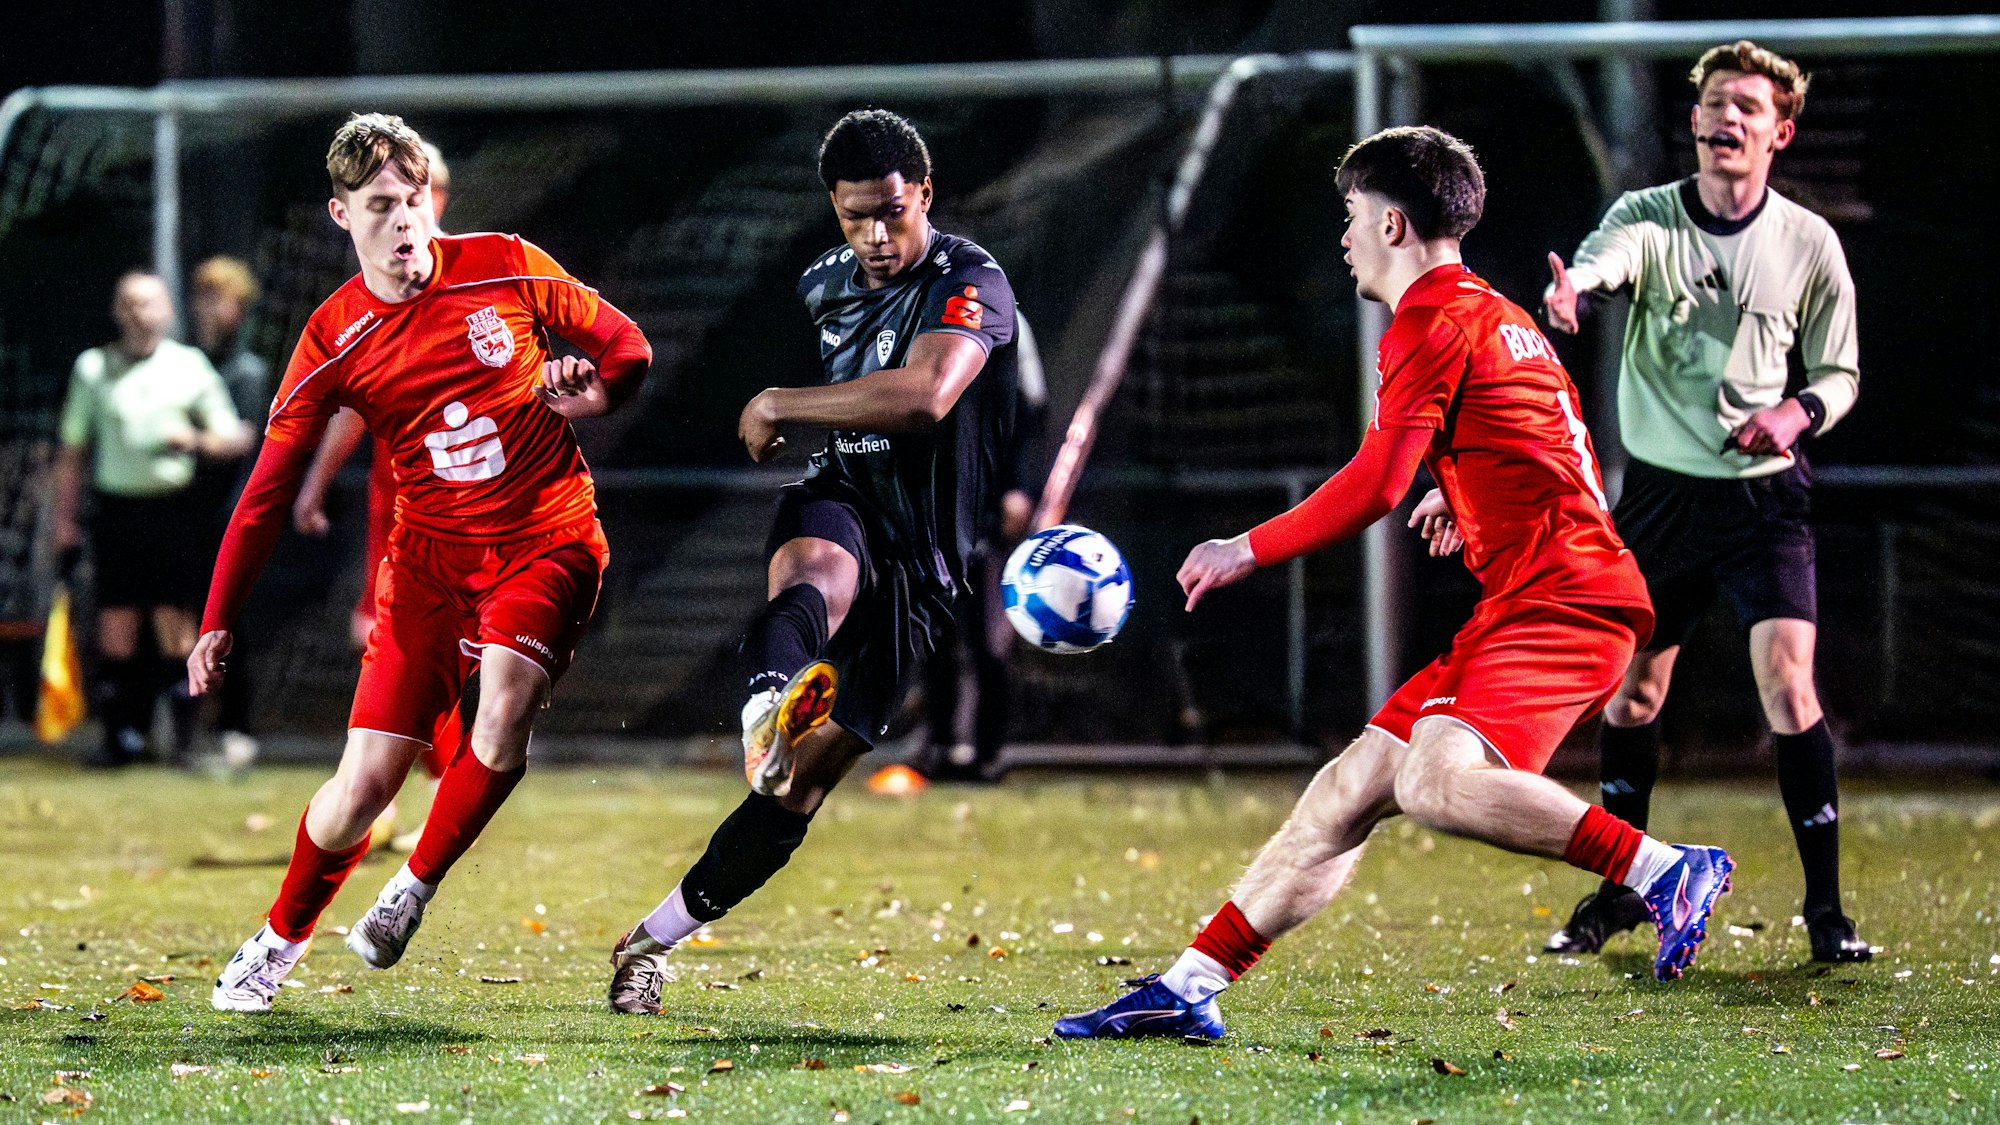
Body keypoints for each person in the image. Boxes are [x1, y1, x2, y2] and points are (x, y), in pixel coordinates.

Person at [1053, 126, 1732, 1042]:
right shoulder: (1496, 315)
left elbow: (1376, 482)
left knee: (1436, 782)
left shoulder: (1427, 320)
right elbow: (1545, 450)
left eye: (1351, 217)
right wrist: (1467, 499)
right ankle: (1188, 984)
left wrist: (1243, 547)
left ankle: (1659, 869)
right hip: (1549, 588)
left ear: (1395, 224)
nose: (1343, 237)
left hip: (1562, 600)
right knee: (1348, 790)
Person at [193, 113, 650, 1012]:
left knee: (507, 702)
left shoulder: (505, 262)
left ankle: (412, 890)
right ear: (340, 215)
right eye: (379, 206)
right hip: (430, 566)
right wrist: (217, 616)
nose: (404, 221)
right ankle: (280, 938)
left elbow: (626, 348)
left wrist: (590, 394)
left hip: (546, 535)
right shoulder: (334, 338)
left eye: (412, 202)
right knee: (359, 790)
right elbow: (263, 492)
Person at [605, 108, 1023, 1013]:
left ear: (926, 195)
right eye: (854, 217)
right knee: (812, 575)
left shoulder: (971, 279)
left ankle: (650, 939)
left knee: (796, 792)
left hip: (927, 563)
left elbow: (926, 396)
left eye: (892, 212)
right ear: (831, 210)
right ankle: (768, 699)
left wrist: (780, 401)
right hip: (845, 498)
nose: (875, 237)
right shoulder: (824, 282)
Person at [1541, 41, 1869, 964]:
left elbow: (1841, 373)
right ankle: (1617, 895)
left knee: (1789, 684)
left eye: (1749, 109)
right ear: (1694, 121)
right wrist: (1579, 291)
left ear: (1780, 133)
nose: (1729, 119)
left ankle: (1828, 914)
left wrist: (1796, 411)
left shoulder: (1809, 242)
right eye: (1716, 103)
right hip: (1660, 502)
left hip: (1765, 503)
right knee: (1634, 693)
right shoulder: (1649, 217)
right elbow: (1610, 260)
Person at [293, 141, 460, 831]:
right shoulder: (376, 286)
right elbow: (354, 403)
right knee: (380, 631)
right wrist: (316, 482)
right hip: (394, 494)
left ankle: (433, 786)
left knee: (427, 641)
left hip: (454, 498)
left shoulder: (465, 276)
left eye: (414, 194)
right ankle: (388, 787)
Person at [53, 270, 251, 767]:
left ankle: (184, 737)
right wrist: (64, 521)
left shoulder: (189, 367)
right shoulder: (93, 368)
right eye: (130, 304)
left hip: (174, 513)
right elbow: (73, 450)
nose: (140, 314)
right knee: (116, 621)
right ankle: (122, 737)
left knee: (175, 622)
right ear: (118, 312)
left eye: (150, 304)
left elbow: (235, 437)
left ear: (167, 311)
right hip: (116, 511)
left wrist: (197, 440)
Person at [920, 312, 1045, 782]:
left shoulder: (1005, 319)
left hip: (985, 508)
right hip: (934, 507)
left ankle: (986, 750)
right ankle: (941, 747)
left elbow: (1028, 409)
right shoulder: (918, 313)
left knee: (987, 637)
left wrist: (1018, 485)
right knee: (933, 633)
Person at [189, 255, 271, 770]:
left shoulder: (247, 371)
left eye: (219, 298)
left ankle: (236, 727)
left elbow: (243, 441)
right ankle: (190, 726)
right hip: (188, 514)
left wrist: (192, 440)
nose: (209, 310)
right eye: (202, 297)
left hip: (231, 516)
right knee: (187, 620)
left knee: (231, 622)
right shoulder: (186, 364)